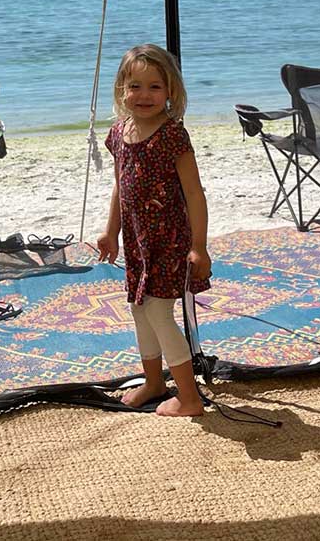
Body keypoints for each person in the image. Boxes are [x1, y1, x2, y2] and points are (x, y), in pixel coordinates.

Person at [95, 43, 211, 417]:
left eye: (155, 87)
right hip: (137, 241)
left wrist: (199, 246)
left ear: (171, 92)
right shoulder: (119, 133)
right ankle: (154, 382)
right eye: (135, 86)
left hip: (170, 241)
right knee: (138, 308)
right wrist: (110, 231)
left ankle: (189, 397)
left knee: (159, 313)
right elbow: (119, 185)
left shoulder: (172, 136)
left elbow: (194, 194)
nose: (144, 95)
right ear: (121, 90)